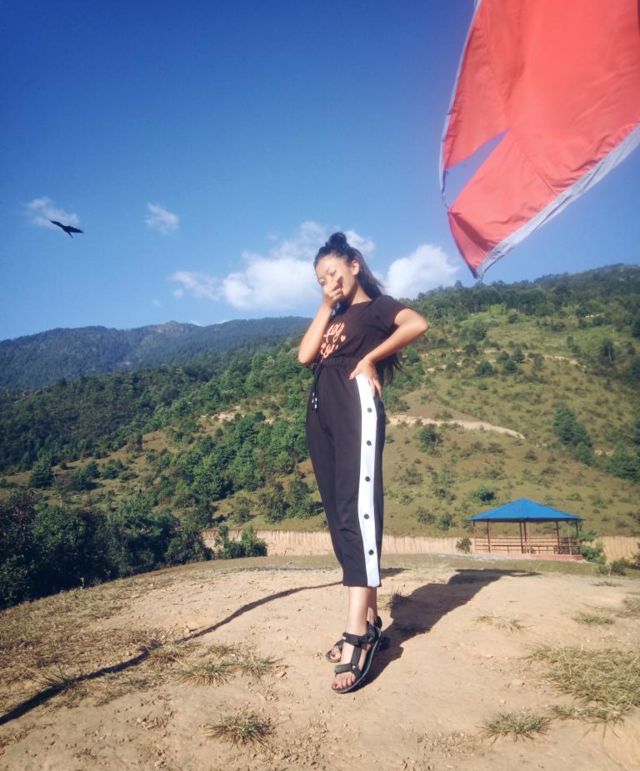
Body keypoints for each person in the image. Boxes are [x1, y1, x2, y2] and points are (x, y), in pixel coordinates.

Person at [298, 232, 429, 693]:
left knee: (358, 512)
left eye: (333, 273)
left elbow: (416, 324)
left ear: (354, 264)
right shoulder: (333, 313)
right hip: (321, 410)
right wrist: (324, 304)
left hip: (355, 405)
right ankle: (370, 620)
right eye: (320, 279)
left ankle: (358, 633)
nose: (329, 282)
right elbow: (305, 355)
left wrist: (371, 358)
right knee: (338, 516)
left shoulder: (376, 308)